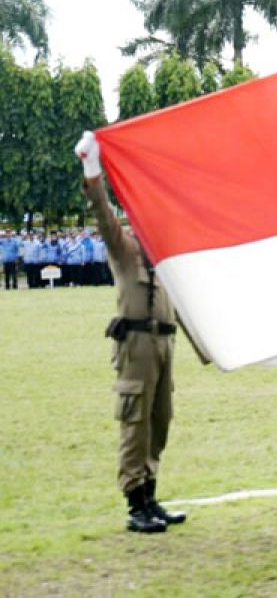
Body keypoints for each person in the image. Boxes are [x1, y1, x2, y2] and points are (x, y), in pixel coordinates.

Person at [74, 131, 192, 533]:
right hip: (137, 343)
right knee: (135, 420)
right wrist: (93, 171)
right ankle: (135, 502)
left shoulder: (165, 253)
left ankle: (151, 493)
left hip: (164, 343)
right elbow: (103, 215)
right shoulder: (123, 248)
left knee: (160, 418)